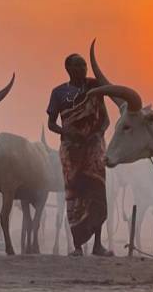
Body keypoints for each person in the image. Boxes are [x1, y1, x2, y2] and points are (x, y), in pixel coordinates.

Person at [47, 53, 113, 257]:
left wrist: (95, 135)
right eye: (78, 65)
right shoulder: (59, 93)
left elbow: (105, 120)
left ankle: (98, 245)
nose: (83, 68)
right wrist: (67, 132)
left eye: (85, 65)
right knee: (75, 195)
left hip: (94, 149)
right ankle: (77, 246)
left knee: (97, 192)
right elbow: (52, 124)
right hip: (71, 149)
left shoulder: (95, 87)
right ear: (68, 68)